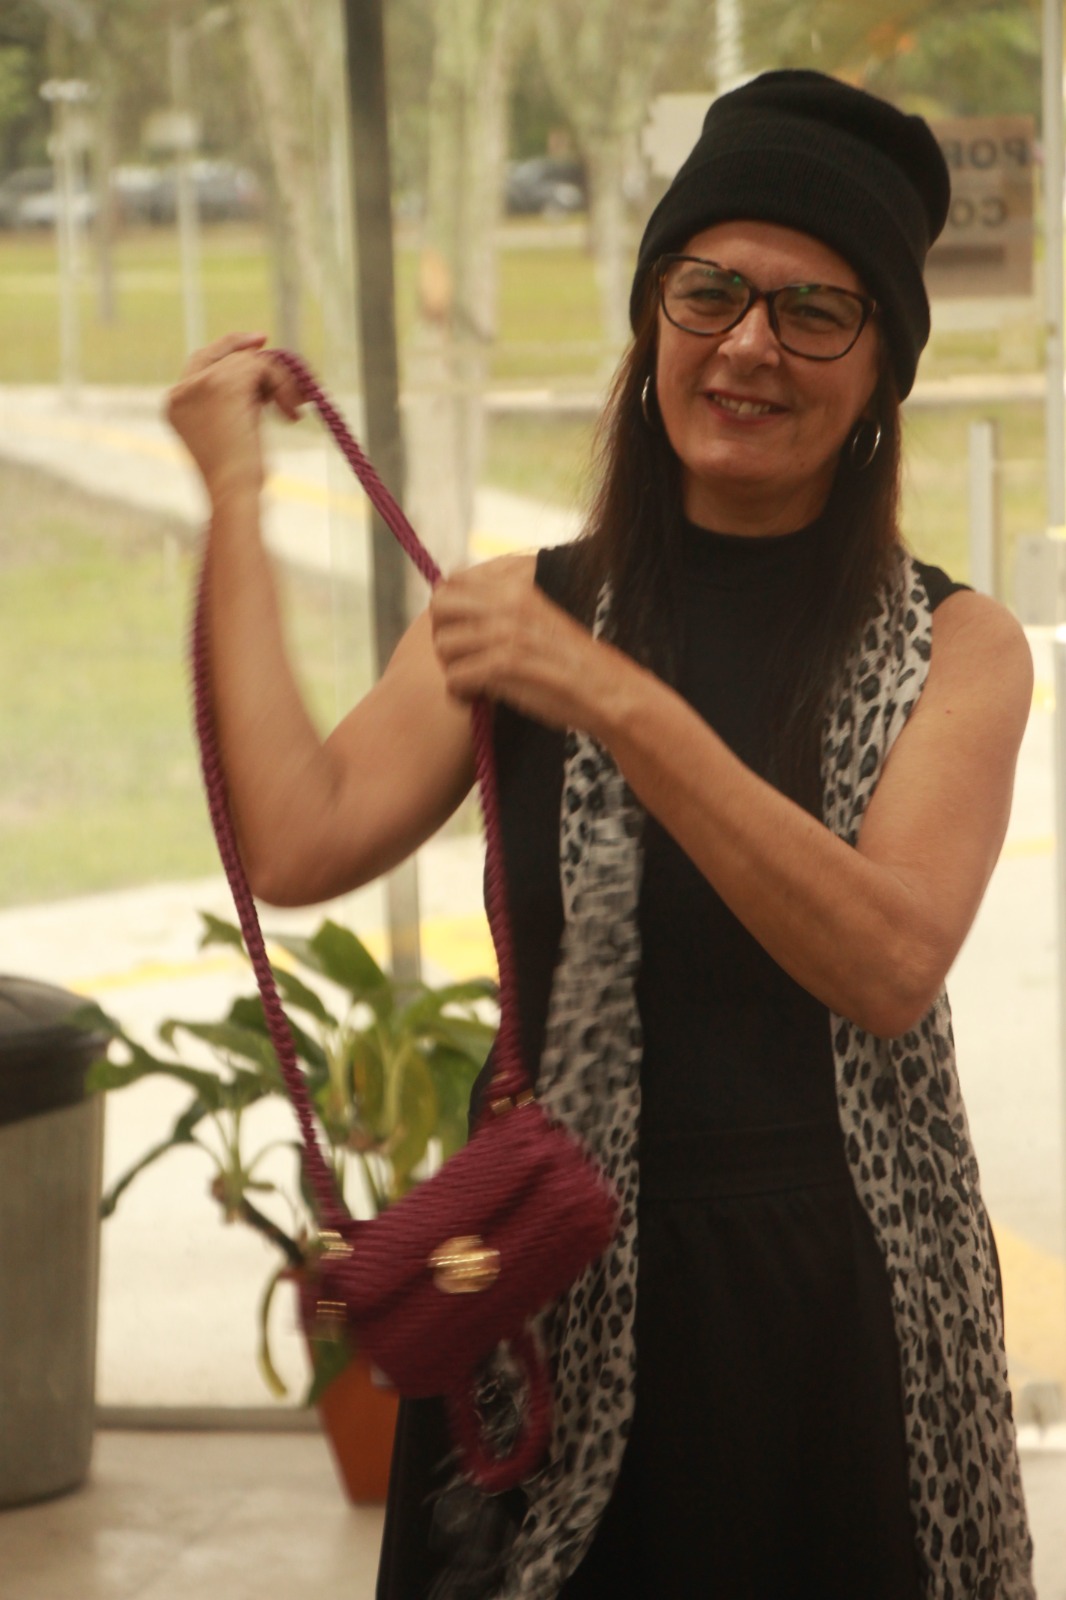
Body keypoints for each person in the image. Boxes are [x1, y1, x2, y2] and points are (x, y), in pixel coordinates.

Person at [167, 69, 1036, 1600]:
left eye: (813, 311)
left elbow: (888, 960)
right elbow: (297, 842)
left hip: (837, 1301)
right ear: (650, 322)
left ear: (881, 371)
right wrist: (236, 492)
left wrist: (616, 702)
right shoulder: (526, 608)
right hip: (545, 1287)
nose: (749, 345)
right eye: (708, 291)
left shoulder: (950, 649)